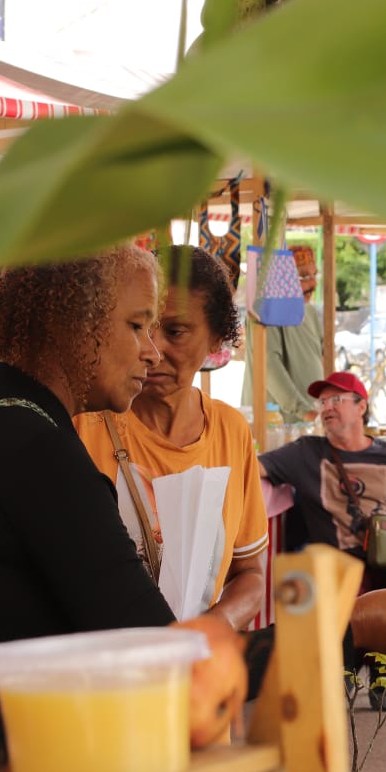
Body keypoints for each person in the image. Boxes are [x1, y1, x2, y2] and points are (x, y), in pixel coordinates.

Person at [0, 249, 386, 772]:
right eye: (136, 326)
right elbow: (168, 672)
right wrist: (352, 626)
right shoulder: (39, 451)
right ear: (71, 326)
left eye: (163, 329)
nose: (151, 350)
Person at [75, 246, 266, 629]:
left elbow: (250, 574)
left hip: (195, 672)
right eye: (139, 327)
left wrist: (215, 627)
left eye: (175, 331)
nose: (152, 349)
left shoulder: (231, 432)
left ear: (216, 339)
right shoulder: (83, 425)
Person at [259, 370, 386, 594]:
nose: (326, 407)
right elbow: (252, 467)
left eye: (336, 400)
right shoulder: (305, 452)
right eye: (322, 402)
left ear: (361, 407)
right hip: (338, 571)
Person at [243, 243, 326, 423]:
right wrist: (304, 411)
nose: (313, 283)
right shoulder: (265, 311)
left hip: (309, 423)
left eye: (314, 275)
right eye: (303, 276)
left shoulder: (310, 312)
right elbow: (269, 364)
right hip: (276, 424)